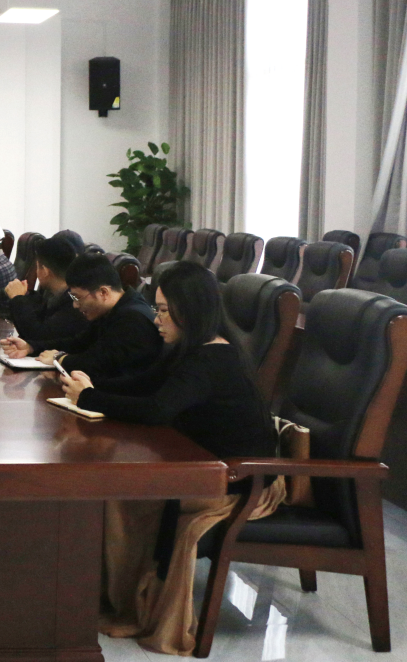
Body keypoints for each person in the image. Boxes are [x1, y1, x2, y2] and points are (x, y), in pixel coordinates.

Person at [58, 262, 281, 656]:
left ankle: (136, 606)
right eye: (156, 308)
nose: (156, 319)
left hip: (236, 481)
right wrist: (87, 385)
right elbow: (142, 386)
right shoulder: (188, 349)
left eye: (162, 310)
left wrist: (90, 397)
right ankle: (110, 595)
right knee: (118, 486)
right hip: (203, 466)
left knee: (126, 495)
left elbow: (158, 409)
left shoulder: (212, 359)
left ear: (188, 311)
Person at [2, 253, 162, 380]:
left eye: (78, 298)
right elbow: (78, 343)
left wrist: (60, 358)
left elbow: (100, 364)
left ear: (103, 292)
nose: (75, 305)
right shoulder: (112, 309)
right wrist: (31, 347)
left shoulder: (133, 319)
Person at [3, 236, 89, 346]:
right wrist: (23, 296)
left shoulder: (75, 301)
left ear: (45, 271)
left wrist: (17, 299)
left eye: (37, 266)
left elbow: (37, 336)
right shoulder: (51, 292)